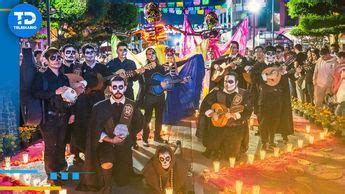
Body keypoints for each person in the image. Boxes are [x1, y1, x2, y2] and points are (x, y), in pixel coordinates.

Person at [77, 76, 144, 193]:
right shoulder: (99, 107)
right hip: (106, 144)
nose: (118, 90)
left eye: (120, 87)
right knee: (107, 162)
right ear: (110, 89)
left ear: (125, 88)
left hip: (124, 145)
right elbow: (94, 129)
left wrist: (128, 135)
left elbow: (139, 123)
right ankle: (107, 185)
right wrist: (111, 140)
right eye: (115, 87)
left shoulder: (132, 105)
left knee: (122, 181)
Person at [31, 47, 74, 185]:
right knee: (51, 146)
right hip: (48, 118)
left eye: (58, 58)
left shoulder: (63, 77)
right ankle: (52, 175)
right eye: (53, 58)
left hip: (64, 115)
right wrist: (54, 92)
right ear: (47, 60)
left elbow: (70, 97)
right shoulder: (41, 76)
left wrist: (72, 113)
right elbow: (35, 93)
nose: (56, 61)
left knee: (61, 144)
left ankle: (61, 169)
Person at [197, 71, 252, 159]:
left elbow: (248, 110)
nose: (227, 84)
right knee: (214, 154)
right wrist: (212, 113)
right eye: (225, 81)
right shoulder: (216, 93)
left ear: (236, 82)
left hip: (235, 129)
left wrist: (234, 115)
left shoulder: (244, 94)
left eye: (230, 82)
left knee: (232, 156)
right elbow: (205, 106)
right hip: (217, 129)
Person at [250, 46, 294, 150]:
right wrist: (264, 77)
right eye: (268, 54)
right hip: (263, 98)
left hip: (277, 98)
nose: (271, 56)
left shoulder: (279, 66)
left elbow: (284, 83)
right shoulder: (258, 65)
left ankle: (271, 141)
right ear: (264, 54)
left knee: (274, 120)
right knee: (264, 120)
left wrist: (285, 74)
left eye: (273, 54)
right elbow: (253, 79)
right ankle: (264, 142)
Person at [141, 48, 169, 147]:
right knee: (147, 118)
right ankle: (145, 139)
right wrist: (159, 83)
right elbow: (147, 81)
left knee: (159, 118)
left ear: (155, 54)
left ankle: (157, 137)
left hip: (160, 96)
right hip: (150, 96)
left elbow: (166, 79)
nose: (151, 55)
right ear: (147, 56)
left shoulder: (161, 67)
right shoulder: (146, 68)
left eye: (152, 53)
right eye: (149, 54)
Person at [332, 51, 345, 116]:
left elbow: (340, 81)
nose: (337, 60)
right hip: (339, 91)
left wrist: (335, 90)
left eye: (338, 58)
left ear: (342, 58)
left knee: (338, 112)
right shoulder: (339, 67)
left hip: (342, 92)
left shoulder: (342, 68)